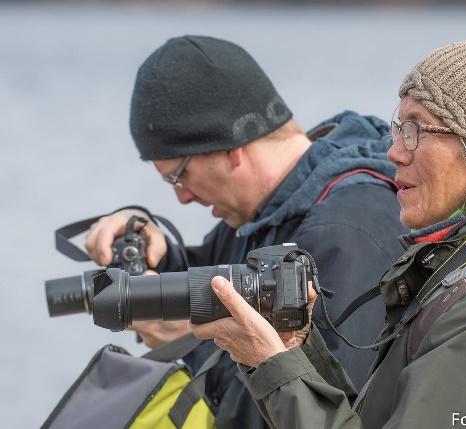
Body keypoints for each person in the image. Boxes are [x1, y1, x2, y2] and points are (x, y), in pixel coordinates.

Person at [191, 29, 466, 428]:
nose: (394, 151)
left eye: (416, 129)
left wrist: (273, 368)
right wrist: (294, 350)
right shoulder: (458, 273)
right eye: (398, 126)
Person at [84, 35, 407, 428]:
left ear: (230, 146)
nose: (183, 198)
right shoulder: (267, 212)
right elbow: (216, 282)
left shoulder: (347, 232)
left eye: (179, 176)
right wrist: (151, 246)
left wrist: (187, 343)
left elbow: (329, 413)